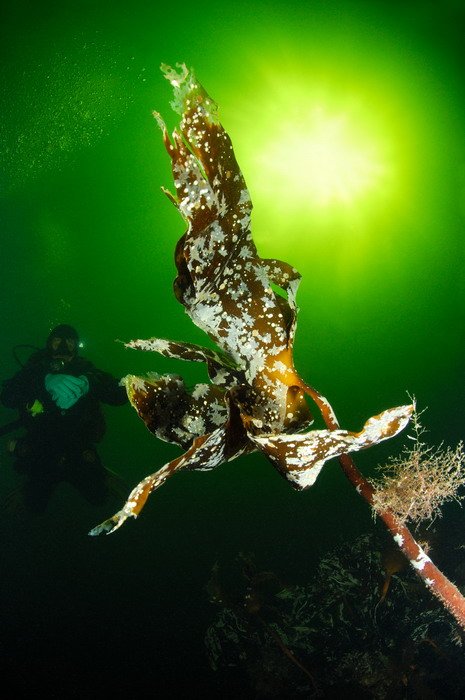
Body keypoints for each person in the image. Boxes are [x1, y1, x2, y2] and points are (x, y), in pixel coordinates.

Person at [0, 324, 128, 514]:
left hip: (78, 447)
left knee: (99, 498)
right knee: (33, 508)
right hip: (41, 448)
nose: (62, 347)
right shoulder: (33, 370)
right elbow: (7, 397)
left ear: (76, 347)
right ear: (48, 344)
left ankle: (99, 471)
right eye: (57, 341)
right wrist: (42, 381)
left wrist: (89, 383)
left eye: (69, 342)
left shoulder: (86, 371)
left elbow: (120, 395)